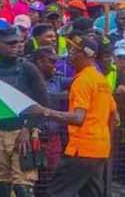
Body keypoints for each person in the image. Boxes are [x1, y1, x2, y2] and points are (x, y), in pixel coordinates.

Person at [39, 38, 116, 197]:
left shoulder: (82, 81)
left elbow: (78, 118)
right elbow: (114, 115)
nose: (70, 55)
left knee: (56, 193)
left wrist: (46, 112)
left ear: (86, 54)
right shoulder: (101, 80)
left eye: (75, 51)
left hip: (81, 149)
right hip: (100, 150)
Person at [0, 24, 48, 197]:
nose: (15, 47)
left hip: (22, 131)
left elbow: (42, 103)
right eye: (10, 43)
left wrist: (29, 129)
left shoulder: (28, 68)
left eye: (17, 43)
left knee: (23, 184)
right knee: (0, 183)